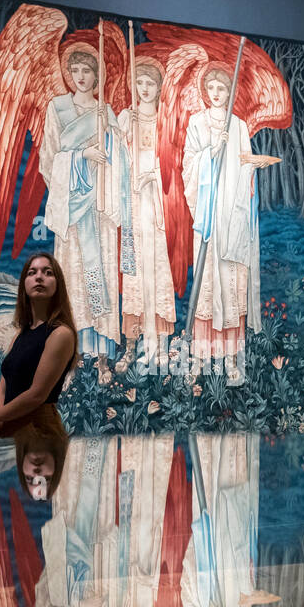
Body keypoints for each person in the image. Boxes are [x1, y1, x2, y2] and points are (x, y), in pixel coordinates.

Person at [39, 46, 128, 384]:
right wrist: (80, 156)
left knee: (100, 280)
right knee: (73, 282)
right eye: (74, 70)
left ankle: (102, 358)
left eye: (87, 71)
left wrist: (112, 146)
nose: (80, 76)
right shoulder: (57, 109)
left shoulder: (105, 112)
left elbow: (121, 161)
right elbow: (50, 158)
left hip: (99, 208)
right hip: (72, 210)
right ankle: (70, 359)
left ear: (96, 76)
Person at [182, 63, 270, 384]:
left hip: (231, 220)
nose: (217, 94)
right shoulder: (197, 123)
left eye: (222, 88)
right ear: (206, 92)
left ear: (229, 91)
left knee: (231, 287)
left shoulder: (240, 126)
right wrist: (209, 153)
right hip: (208, 219)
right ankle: (199, 359)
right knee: (208, 287)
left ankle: (232, 359)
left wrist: (243, 176)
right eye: (212, 89)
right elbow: (187, 167)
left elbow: (247, 172)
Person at [116, 59, 177, 373]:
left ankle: (162, 346)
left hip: (155, 203)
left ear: (158, 87)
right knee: (134, 272)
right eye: (139, 83)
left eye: (150, 83)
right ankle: (130, 347)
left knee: (156, 269)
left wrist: (152, 175)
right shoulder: (127, 116)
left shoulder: (164, 120)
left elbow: (171, 163)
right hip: (132, 202)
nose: (144, 89)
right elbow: (114, 153)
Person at [0, 252, 78, 437]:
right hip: (12, 427)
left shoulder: (61, 334)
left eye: (48, 272)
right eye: (32, 272)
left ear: (58, 284)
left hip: (40, 429)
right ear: (23, 285)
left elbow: (37, 395)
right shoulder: (20, 335)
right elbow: (4, 385)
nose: (39, 277)